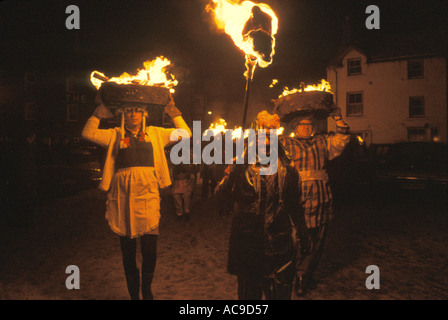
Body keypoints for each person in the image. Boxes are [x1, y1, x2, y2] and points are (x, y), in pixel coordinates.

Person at [82, 93, 191, 300]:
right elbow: (88, 133)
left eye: (138, 111)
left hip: (148, 196)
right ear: (123, 114)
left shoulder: (155, 133)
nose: (134, 115)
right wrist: (99, 112)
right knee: (128, 252)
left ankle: (146, 289)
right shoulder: (115, 134)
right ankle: (134, 295)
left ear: (144, 115)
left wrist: (172, 112)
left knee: (150, 250)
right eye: (130, 111)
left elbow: (185, 133)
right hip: (123, 198)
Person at [215, 111, 306, 300]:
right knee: (250, 297)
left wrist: (303, 233)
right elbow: (221, 202)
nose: (265, 139)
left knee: (280, 294)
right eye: (261, 134)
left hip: (280, 242)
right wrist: (232, 173)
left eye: (270, 134)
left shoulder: (288, 169)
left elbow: (295, 204)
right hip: (249, 242)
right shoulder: (240, 167)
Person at [279, 109, 350, 296]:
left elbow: (342, 140)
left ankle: (305, 277)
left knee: (318, 241)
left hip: (321, 198)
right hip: (297, 199)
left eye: (309, 124)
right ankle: (293, 277)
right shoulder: (285, 143)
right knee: (297, 241)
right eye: (302, 125)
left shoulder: (322, 141)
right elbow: (264, 147)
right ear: (295, 127)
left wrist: (338, 118)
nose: (306, 128)